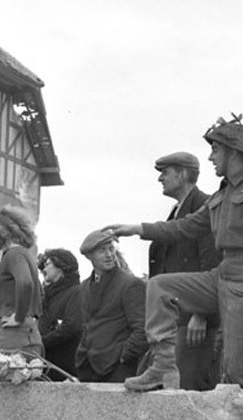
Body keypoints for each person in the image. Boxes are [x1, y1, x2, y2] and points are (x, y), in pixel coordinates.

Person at [106, 115, 243, 391]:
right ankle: (162, 367)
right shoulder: (220, 197)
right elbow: (184, 227)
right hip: (222, 275)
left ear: (233, 152)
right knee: (160, 286)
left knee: (238, 373)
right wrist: (138, 228)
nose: (210, 158)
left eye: (215, 150)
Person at [149, 151, 221, 391]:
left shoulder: (205, 206)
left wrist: (202, 315)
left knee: (189, 389)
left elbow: (213, 264)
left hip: (194, 321)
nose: (160, 179)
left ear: (182, 174)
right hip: (177, 319)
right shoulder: (178, 210)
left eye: (165, 173)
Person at [75, 230, 148, 383]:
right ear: (88, 256)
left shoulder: (130, 284)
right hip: (89, 369)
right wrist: (82, 355)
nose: (109, 255)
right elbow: (87, 325)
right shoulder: (84, 287)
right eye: (102, 250)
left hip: (118, 370)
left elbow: (142, 330)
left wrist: (122, 357)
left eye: (111, 249)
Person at [0, 205, 44, 356]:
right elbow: (38, 292)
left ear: (1, 232)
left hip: (13, 335)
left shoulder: (14, 254)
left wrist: (18, 317)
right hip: (25, 334)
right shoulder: (25, 255)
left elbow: (25, 283)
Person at [38, 248, 82, 380]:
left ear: (60, 266)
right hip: (46, 364)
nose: (44, 270)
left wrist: (41, 342)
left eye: (47, 264)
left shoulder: (76, 292)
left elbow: (71, 327)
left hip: (65, 368)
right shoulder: (47, 295)